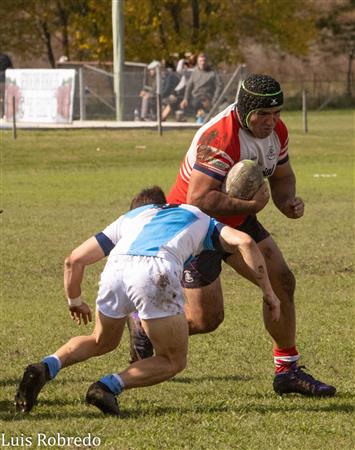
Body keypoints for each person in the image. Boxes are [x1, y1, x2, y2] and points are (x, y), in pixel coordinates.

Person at [129, 74, 337, 397]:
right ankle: (144, 325)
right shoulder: (220, 137)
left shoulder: (276, 133)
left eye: (277, 113)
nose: (272, 121)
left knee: (282, 281)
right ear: (244, 109)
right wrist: (252, 203)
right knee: (206, 319)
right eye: (264, 115)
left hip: (237, 217)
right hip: (193, 224)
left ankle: (287, 370)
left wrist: (288, 202)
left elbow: (283, 176)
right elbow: (199, 199)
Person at [15, 186, 281, 416]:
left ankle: (44, 367)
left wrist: (75, 299)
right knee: (172, 360)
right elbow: (245, 241)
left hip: (115, 268)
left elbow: (74, 260)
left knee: (101, 340)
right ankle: (107, 387)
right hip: (157, 270)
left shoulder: (131, 218)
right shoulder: (199, 216)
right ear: (163, 203)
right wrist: (268, 291)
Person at [180, 53, 223, 119]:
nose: (202, 63)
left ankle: (206, 117)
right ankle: (204, 116)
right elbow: (189, 86)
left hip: (209, 98)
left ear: (207, 62)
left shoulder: (213, 73)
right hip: (195, 98)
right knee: (179, 101)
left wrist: (215, 99)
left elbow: (219, 86)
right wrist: (185, 98)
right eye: (200, 61)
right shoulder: (194, 72)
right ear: (197, 62)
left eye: (204, 61)